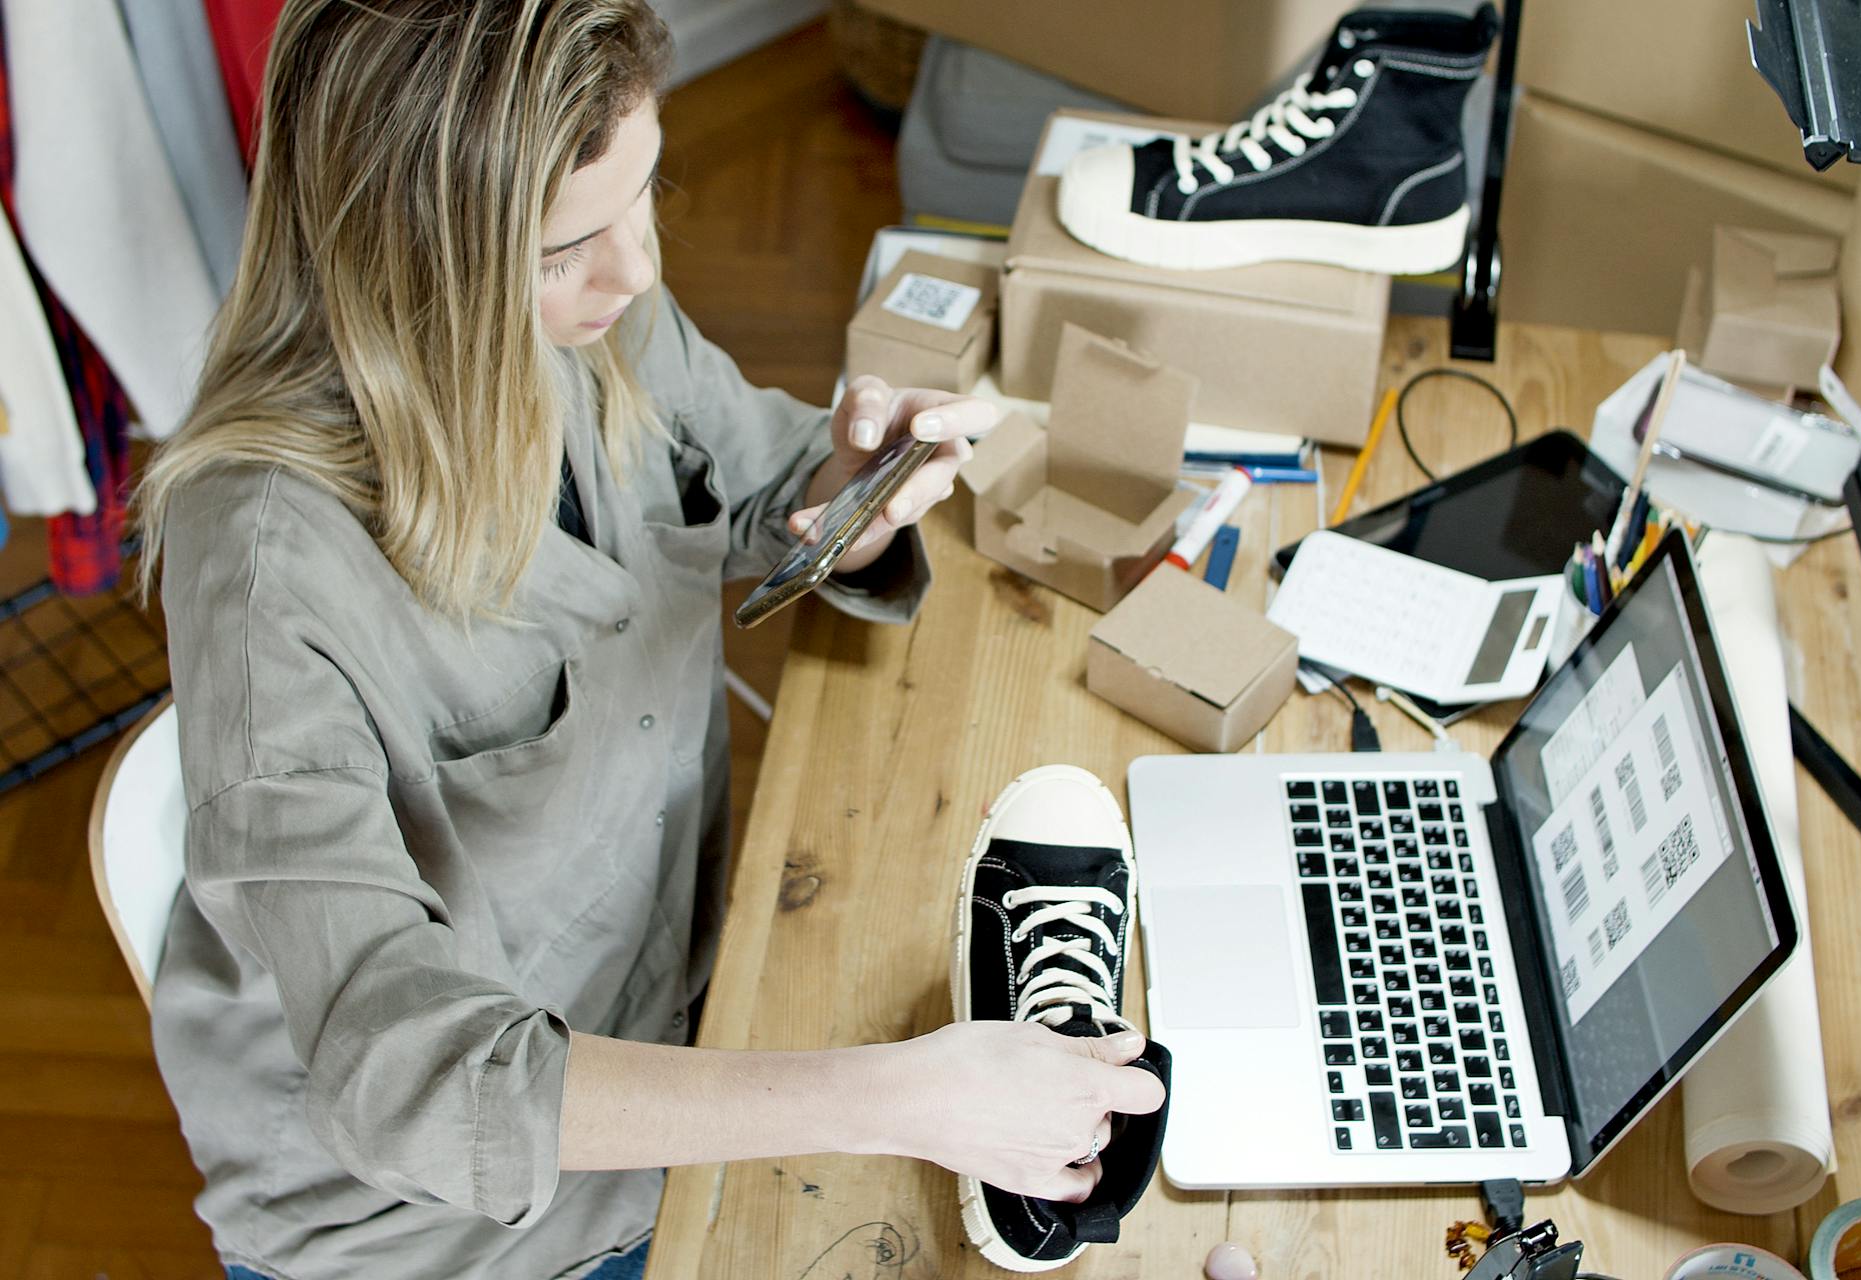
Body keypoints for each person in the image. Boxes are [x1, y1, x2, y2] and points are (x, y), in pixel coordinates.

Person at [134, 2, 1166, 1278]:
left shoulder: (587, 312)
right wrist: (897, 1095)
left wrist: (846, 494)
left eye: (645, 196)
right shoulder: (263, 566)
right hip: (456, 1227)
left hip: (676, 998)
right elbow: (413, 1081)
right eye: (570, 245)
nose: (634, 273)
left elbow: (747, 468)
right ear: (413, 256)